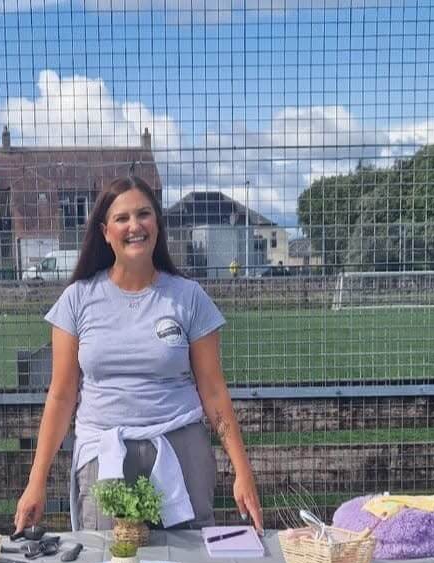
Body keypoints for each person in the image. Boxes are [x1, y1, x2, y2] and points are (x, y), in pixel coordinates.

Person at [14, 175, 263, 534]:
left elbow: (213, 390)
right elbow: (61, 394)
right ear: (105, 231)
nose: (135, 226)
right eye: (122, 218)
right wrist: (35, 483)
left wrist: (242, 471)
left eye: (144, 214)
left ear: (157, 225)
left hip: (179, 450)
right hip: (105, 453)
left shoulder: (189, 298)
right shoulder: (77, 300)